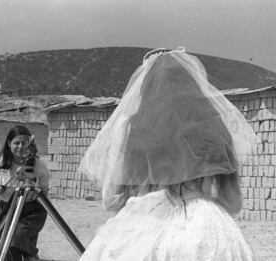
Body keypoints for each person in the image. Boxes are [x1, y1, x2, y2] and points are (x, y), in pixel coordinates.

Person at [78, 48, 258, 260]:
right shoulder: (214, 127)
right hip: (202, 229)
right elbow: (233, 202)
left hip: (143, 227)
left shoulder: (131, 129)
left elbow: (111, 202)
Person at [0, 125, 50, 261]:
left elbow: (45, 189)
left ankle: (32, 255)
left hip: (32, 210)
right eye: (17, 143)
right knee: (5, 248)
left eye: (25, 143)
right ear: (9, 143)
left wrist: (37, 191)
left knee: (18, 237)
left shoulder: (38, 166)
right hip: (7, 209)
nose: (21, 147)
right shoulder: (0, 162)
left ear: (31, 145)